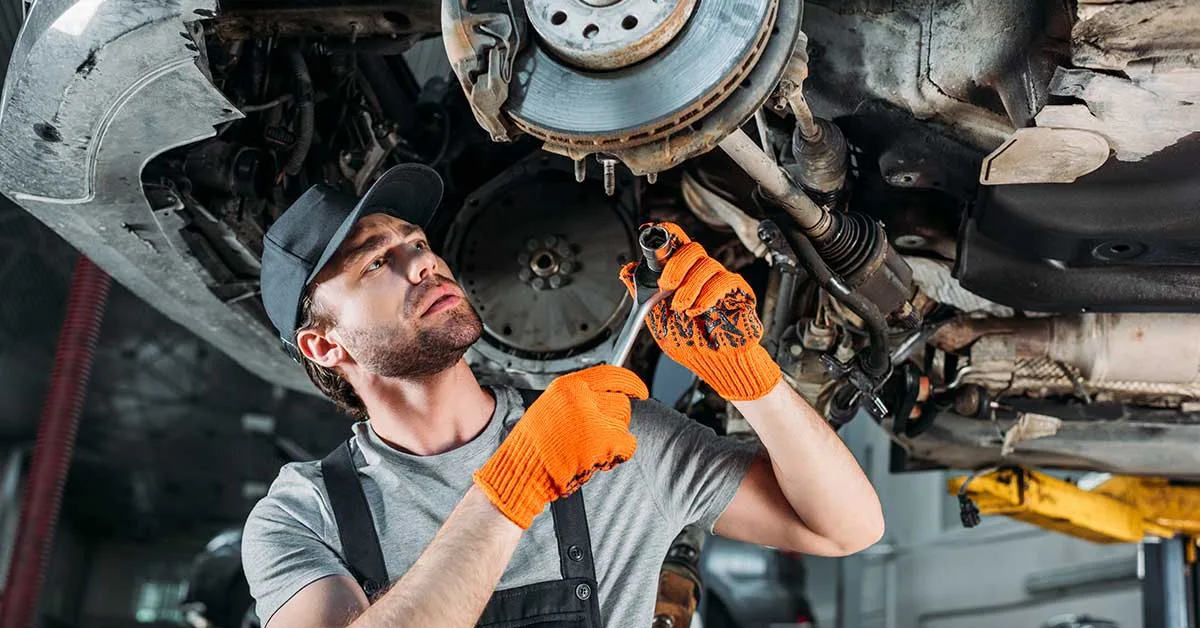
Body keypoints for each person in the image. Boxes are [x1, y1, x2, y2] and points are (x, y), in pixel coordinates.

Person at [243, 163, 884, 628]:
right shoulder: (303, 517)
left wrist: (752, 379)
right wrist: (516, 485)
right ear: (325, 347)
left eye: (416, 241)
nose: (422, 263)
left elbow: (846, 528)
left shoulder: (606, 430)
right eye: (375, 263)